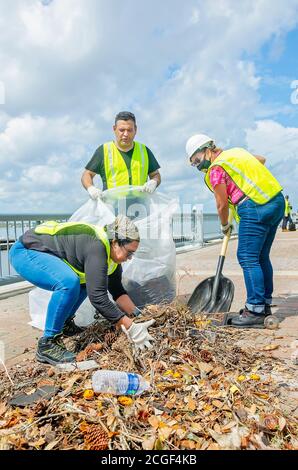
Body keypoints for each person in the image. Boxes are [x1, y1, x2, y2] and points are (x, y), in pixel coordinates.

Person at [9, 216, 155, 365]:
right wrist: (131, 328)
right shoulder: (97, 248)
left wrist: (138, 315)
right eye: (129, 253)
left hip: (36, 252)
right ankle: (47, 343)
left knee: (85, 283)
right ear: (115, 242)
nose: (130, 258)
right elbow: (98, 298)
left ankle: (64, 325)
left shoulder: (112, 260)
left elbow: (117, 291)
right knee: (68, 282)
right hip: (25, 251)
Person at [185, 134, 285, 328]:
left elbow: (221, 205)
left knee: (247, 257)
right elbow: (261, 160)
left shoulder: (215, 169)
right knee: (261, 256)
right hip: (276, 202)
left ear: (206, 150)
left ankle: (255, 310)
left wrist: (224, 225)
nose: (198, 167)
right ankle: (263, 304)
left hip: (254, 206)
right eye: (194, 164)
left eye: (197, 161)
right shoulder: (236, 153)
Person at [81, 111, 161, 200]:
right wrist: (90, 188)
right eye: (122, 130)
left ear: (135, 130)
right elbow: (87, 174)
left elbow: (155, 174)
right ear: (114, 129)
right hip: (111, 208)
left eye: (129, 130)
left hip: (140, 208)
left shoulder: (144, 151)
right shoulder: (103, 151)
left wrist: (154, 181)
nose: (125, 134)